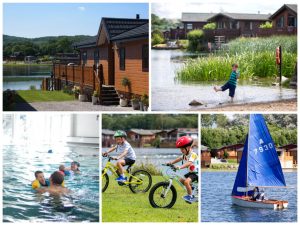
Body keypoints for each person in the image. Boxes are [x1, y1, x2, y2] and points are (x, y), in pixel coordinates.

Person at [167, 136, 199, 203]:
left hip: (196, 173)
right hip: (191, 172)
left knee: (186, 182)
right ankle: (192, 189)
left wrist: (180, 167)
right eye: (180, 149)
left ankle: (190, 196)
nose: (181, 150)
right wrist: (171, 162)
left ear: (188, 148)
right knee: (181, 180)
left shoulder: (193, 154)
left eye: (182, 149)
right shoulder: (185, 154)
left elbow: (189, 163)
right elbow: (179, 158)